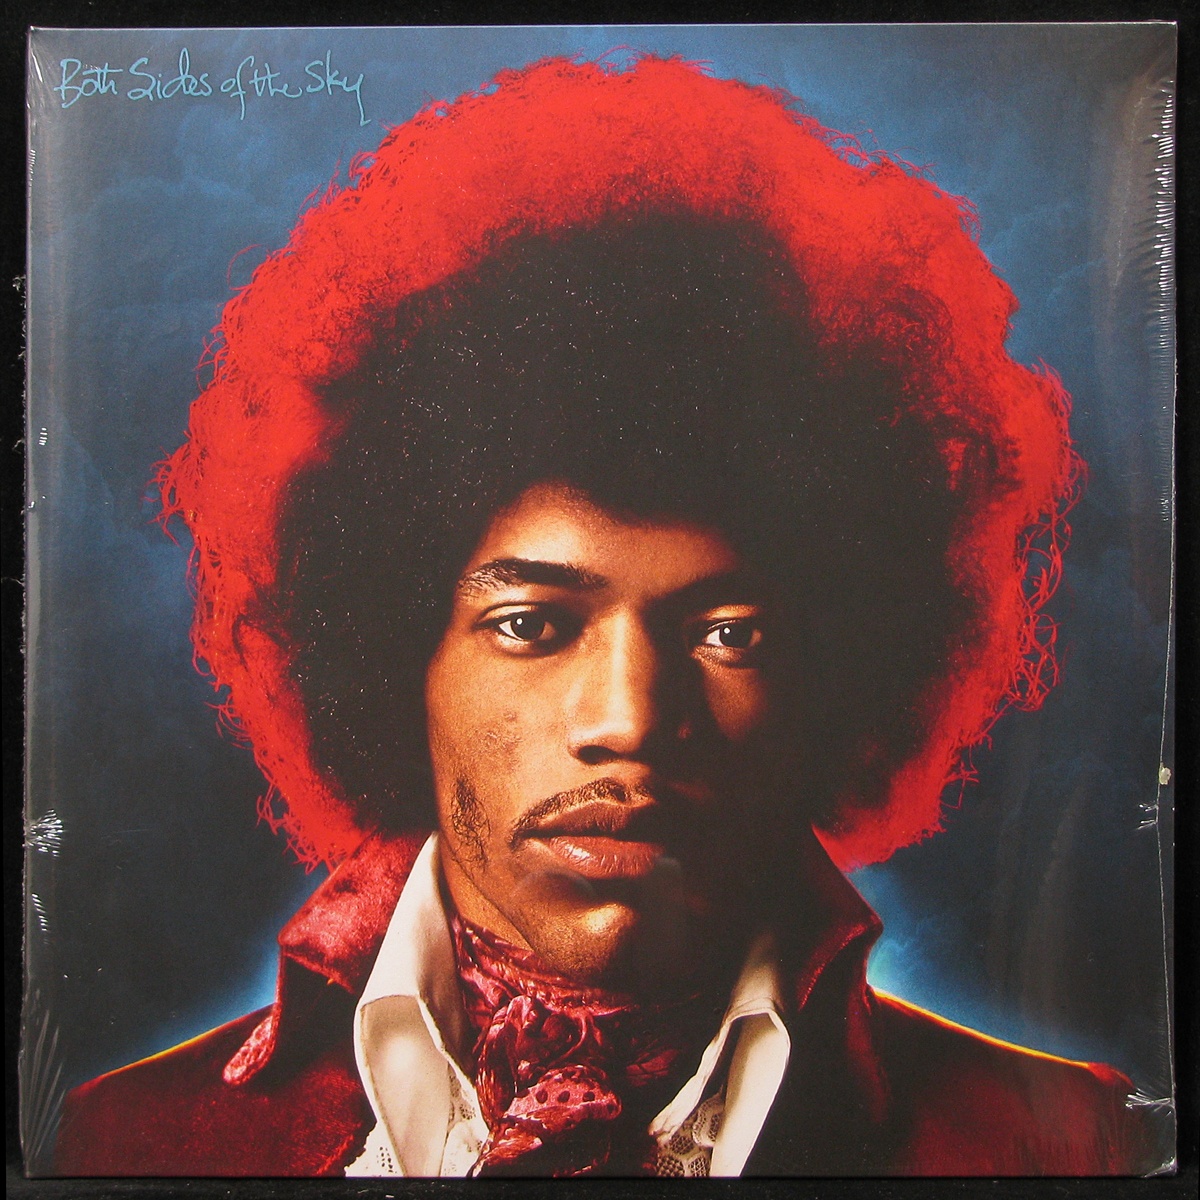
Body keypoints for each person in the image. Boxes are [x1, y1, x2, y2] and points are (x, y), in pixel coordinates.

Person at [52, 54, 1160, 1177]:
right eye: (532, 624)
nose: (628, 720)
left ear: (843, 674)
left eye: (729, 633)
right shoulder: (119, 1144)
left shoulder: (1065, 1148)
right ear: (391, 661)